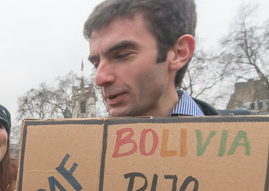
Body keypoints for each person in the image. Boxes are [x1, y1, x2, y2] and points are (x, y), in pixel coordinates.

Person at [83, 0, 219, 118]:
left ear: (179, 53)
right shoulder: (84, 140)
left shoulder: (229, 136)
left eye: (122, 55)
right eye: (96, 64)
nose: (99, 79)